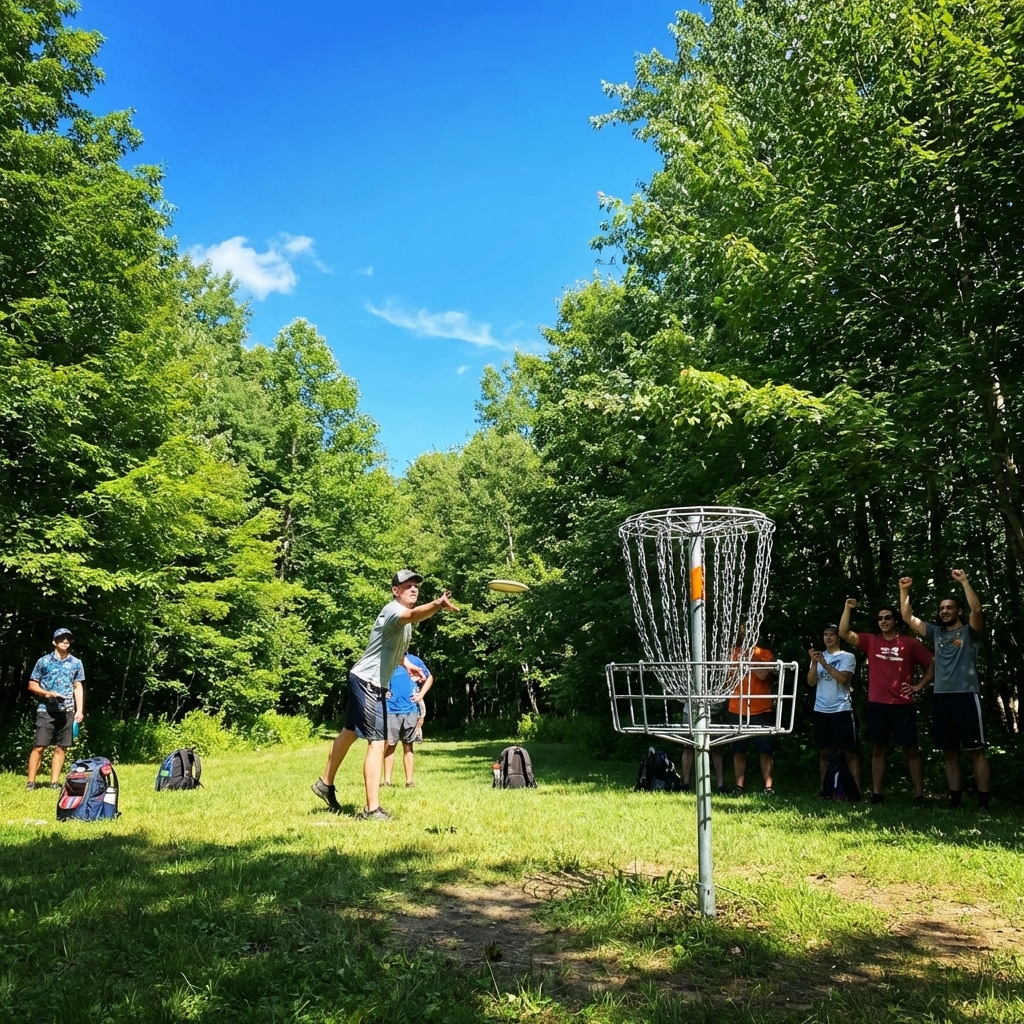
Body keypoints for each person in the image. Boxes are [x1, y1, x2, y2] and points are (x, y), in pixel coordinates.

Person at [312, 571, 456, 819]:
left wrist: (405, 664)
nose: (414, 589)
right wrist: (437, 604)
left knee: (348, 733)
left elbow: (389, 645)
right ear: (395, 591)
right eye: (407, 586)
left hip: (367, 680)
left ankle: (325, 783)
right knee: (377, 742)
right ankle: (372, 810)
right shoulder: (394, 610)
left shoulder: (402, 622)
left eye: (416, 586)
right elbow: (413, 615)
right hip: (367, 682)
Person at [899, 571, 991, 813]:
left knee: (976, 751)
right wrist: (904, 590)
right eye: (942, 608)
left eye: (949, 607)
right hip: (942, 697)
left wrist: (964, 582)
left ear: (958, 611)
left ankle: (983, 803)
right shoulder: (936, 633)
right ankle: (955, 801)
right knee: (949, 752)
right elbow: (908, 617)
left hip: (966, 695)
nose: (945, 611)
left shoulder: (970, 631)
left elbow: (978, 612)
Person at [839, 598, 933, 805]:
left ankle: (919, 796)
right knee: (878, 749)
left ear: (896, 621)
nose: (883, 621)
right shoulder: (871, 641)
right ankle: (877, 794)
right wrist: (847, 608)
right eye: (880, 618)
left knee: (911, 750)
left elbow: (932, 663)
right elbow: (844, 633)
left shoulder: (909, 643)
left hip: (903, 705)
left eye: (888, 617)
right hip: (877, 704)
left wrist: (919, 686)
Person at [26, 627, 85, 790]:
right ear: (54, 642)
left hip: (67, 711)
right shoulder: (43, 661)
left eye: (68, 639)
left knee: (61, 748)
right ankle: (31, 782)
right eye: (62, 638)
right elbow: (32, 684)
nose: (65, 641)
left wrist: (79, 710)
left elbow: (77, 686)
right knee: (39, 746)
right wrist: (46, 693)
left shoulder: (76, 663)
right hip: (46, 710)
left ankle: (54, 783)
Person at [807, 624, 861, 794]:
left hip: (841, 709)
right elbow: (811, 682)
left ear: (838, 637)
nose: (828, 637)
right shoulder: (818, 657)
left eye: (831, 635)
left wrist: (825, 664)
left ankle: (856, 791)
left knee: (849, 752)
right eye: (825, 634)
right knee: (823, 752)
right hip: (821, 710)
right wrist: (815, 663)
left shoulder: (847, 657)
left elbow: (843, 679)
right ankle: (824, 789)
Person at [726, 625, 777, 795]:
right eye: (744, 632)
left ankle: (768, 787)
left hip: (761, 709)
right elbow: (725, 680)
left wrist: (748, 660)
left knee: (765, 749)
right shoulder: (732, 653)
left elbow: (763, 674)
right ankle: (738, 787)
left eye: (751, 632)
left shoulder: (765, 653)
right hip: (737, 709)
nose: (747, 635)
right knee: (738, 750)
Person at [382, 653, 433, 788]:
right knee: (390, 745)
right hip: (390, 709)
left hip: (410, 710)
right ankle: (387, 781)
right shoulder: (387, 659)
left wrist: (421, 694)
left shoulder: (414, 660)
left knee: (408, 745)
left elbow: (429, 677)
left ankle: (409, 781)